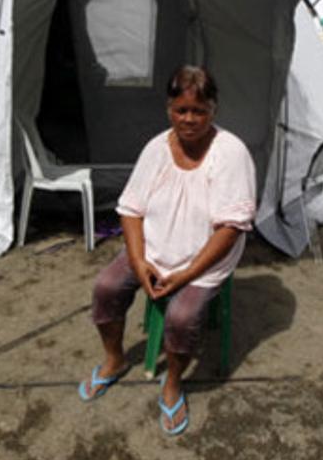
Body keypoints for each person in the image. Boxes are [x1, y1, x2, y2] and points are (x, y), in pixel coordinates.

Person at [78, 65, 256, 436]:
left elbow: (228, 230)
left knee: (182, 316)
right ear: (168, 109)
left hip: (203, 259)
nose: (189, 119)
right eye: (181, 110)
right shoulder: (157, 148)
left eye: (199, 111)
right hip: (155, 246)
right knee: (106, 287)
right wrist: (139, 261)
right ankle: (113, 360)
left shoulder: (231, 153)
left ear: (214, 110)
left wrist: (186, 274)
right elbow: (131, 209)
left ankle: (173, 382)